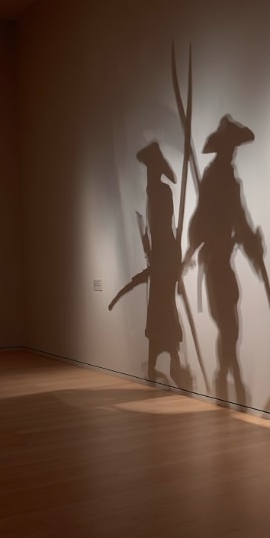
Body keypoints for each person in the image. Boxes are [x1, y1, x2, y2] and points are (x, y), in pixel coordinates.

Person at [185, 115, 265, 403]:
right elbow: (202, 218)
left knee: (230, 323)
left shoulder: (230, 180)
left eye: (234, 146)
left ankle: (227, 377)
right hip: (214, 261)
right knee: (227, 324)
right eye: (229, 146)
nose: (232, 152)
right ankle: (230, 379)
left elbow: (240, 221)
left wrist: (253, 245)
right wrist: (191, 251)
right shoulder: (214, 178)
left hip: (222, 260)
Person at [109, 142, 191, 388]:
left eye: (150, 168)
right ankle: (155, 368)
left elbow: (166, 230)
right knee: (159, 314)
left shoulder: (161, 192)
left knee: (162, 313)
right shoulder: (153, 191)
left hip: (164, 261)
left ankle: (171, 365)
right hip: (162, 261)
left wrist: (173, 266)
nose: (148, 173)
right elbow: (160, 231)